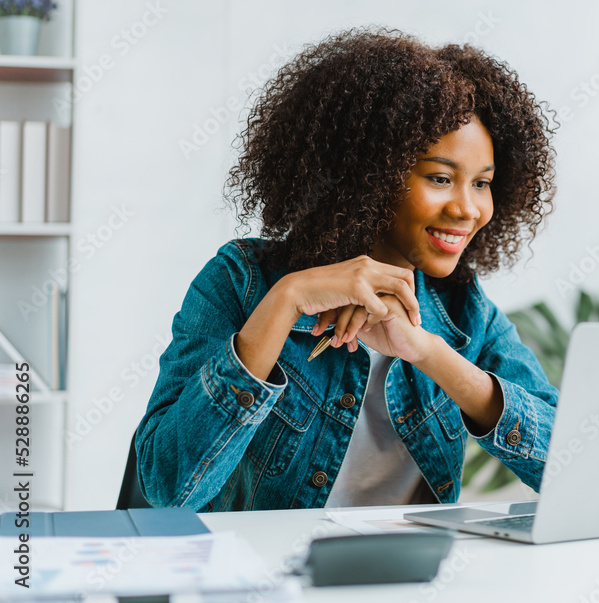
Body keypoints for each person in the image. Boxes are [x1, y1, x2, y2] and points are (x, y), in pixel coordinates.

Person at [135, 27, 559, 511]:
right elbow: (168, 488)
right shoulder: (241, 282)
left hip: (405, 582)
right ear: (370, 175)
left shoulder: (464, 311)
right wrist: (285, 300)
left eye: (482, 184)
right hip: (266, 581)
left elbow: (573, 467)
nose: (468, 209)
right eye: (441, 178)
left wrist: (427, 352)